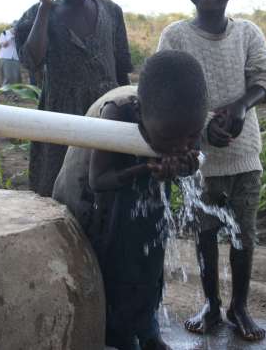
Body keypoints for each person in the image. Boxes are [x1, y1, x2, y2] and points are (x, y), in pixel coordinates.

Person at [157, 0, 266, 342]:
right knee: (205, 233)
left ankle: (239, 306)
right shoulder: (175, 36)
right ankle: (211, 303)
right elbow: (166, 94)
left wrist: (243, 106)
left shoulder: (247, 33)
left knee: (243, 234)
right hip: (198, 160)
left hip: (244, 157)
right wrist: (203, 128)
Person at [53, 50, 209, 350]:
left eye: (190, 137)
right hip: (93, 200)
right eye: (170, 141)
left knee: (149, 255)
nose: (181, 146)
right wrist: (145, 169)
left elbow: (193, 156)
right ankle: (119, 336)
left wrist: (185, 163)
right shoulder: (117, 113)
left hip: (141, 186)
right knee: (109, 265)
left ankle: (148, 330)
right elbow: (98, 181)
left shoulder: (185, 117)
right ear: (140, 116)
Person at [14, 0, 132, 197]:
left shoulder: (111, 12)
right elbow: (32, 60)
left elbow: (122, 74)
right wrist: (45, 8)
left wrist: (129, 120)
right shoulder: (37, 15)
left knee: (104, 190)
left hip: (107, 117)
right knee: (56, 192)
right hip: (59, 121)